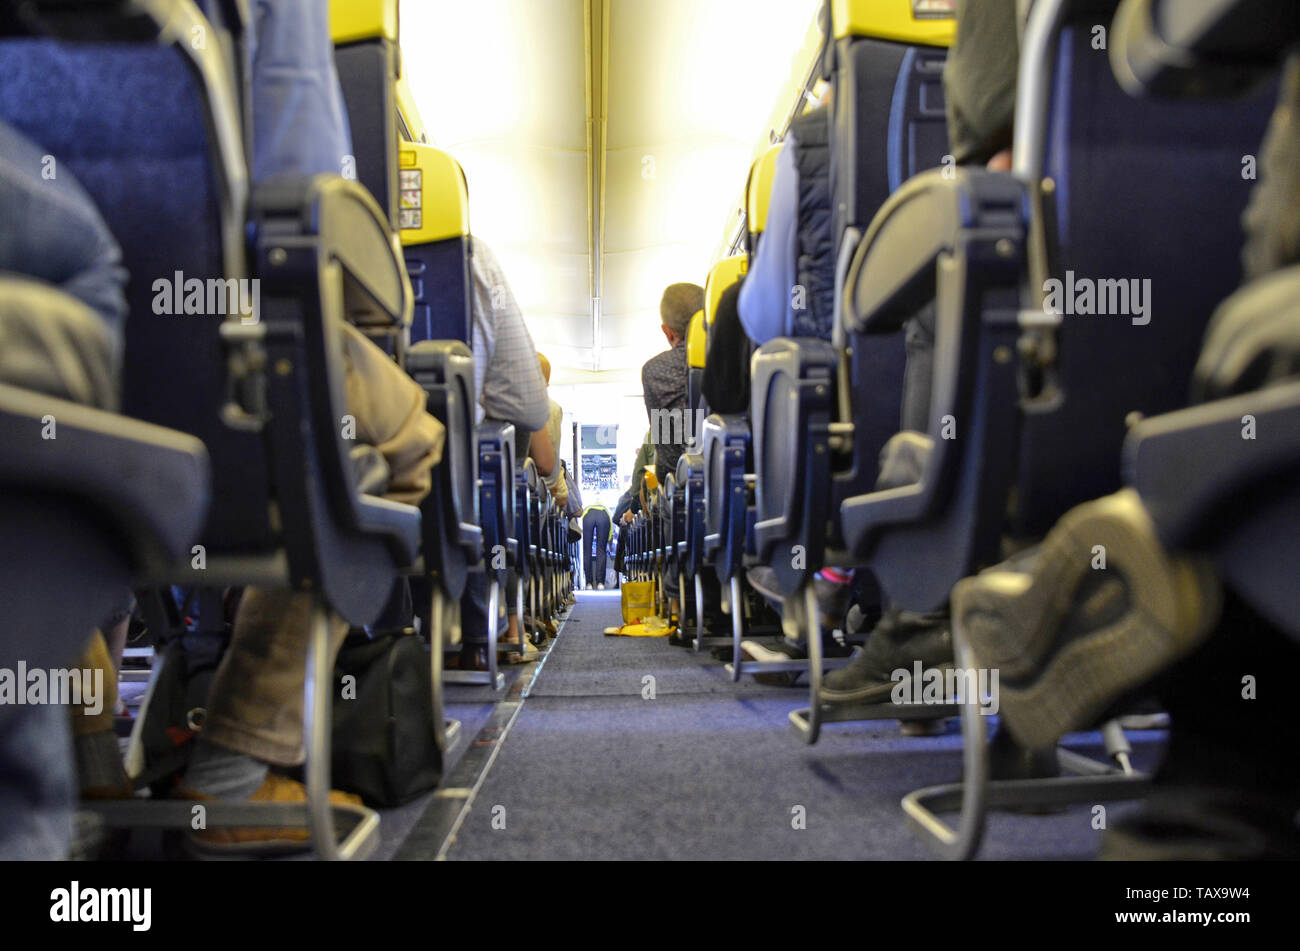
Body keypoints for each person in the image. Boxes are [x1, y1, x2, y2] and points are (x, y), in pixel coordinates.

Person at [172, 0, 447, 852]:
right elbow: (306, 209)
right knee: (401, 436)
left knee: (71, 441)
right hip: (219, 338)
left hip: (48, 331)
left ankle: (80, 728)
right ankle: (238, 755)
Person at [641, 283, 702, 485]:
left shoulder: (655, 371)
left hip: (683, 484)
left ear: (668, 332)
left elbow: (667, 453)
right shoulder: (734, 356)